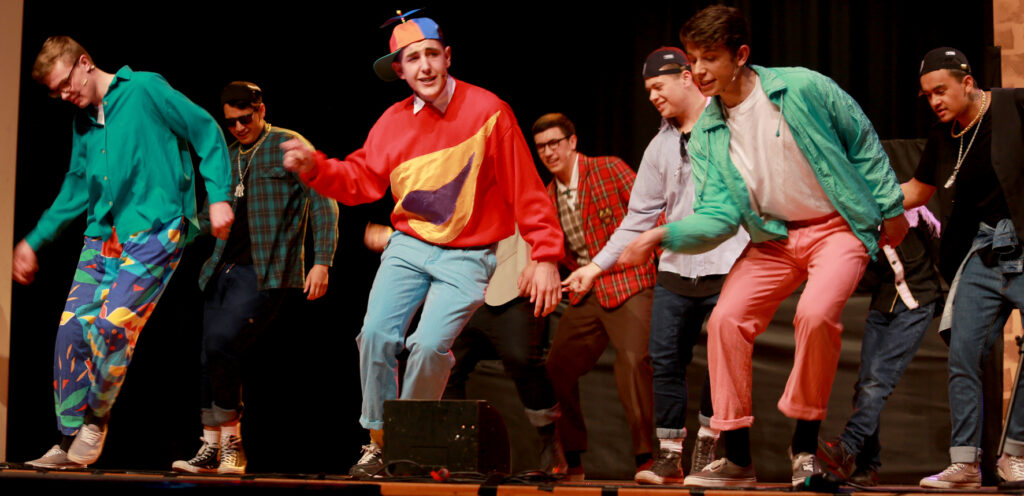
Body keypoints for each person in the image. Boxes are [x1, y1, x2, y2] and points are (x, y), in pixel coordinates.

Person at [619, 6, 907, 487]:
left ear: (741, 55)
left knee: (815, 315)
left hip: (835, 228)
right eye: (694, 59)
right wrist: (661, 234)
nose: (701, 70)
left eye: (711, 57)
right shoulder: (709, 129)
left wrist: (890, 207)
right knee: (726, 320)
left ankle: (804, 448)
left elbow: (860, 137)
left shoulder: (801, 87)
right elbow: (718, 216)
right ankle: (736, 458)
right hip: (774, 238)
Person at [279, 15, 564, 476]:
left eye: (432, 54)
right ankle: (378, 438)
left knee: (429, 346)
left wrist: (546, 254)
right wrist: (315, 167)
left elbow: (526, 189)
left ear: (447, 57)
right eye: (414, 58)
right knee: (374, 335)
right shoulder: (392, 123)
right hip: (408, 246)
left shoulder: (489, 110)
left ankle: (409, 436)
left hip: (469, 254)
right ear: (400, 71)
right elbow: (360, 180)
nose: (425, 66)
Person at [17, 36, 233, 469]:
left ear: (84, 63)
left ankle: (96, 421)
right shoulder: (82, 123)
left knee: (112, 326)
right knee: (71, 331)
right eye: (55, 92)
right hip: (103, 239)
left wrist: (220, 195)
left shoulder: (144, 89)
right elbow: (77, 187)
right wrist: (33, 241)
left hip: (155, 229)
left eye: (65, 84)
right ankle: (67, 438)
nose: (64, 96)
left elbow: (204, 129)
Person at [563, 47, 749, 485]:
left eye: (658, 86)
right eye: (647, 90)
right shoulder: (659, 146)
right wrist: (596, 267)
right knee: (664, 358)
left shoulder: (729, 124)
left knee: (721, 356)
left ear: (687, 77)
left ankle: (709, 446)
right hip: (676, 269)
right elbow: (638, 217)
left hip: (727, 261)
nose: (652, 97)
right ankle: (669, 454)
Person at [170, 82, 339, 474]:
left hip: (265, 271)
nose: (240, 127)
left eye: (246, 118)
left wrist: (322, 261)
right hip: (221, 269)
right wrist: (168, 234)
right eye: (232, 122)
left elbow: (324, 199)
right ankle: (211, 446)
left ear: (261, 109)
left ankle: (233, 443)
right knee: (208, 355)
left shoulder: (287, 144)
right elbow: (204, 216)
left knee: (221, 341)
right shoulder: (226, 157)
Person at [908, 47, 1024, 489]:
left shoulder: (1013, 105)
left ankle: (1015, 454)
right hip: (981, 252)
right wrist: (856, 202)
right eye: (928, 95)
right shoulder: (944, 137)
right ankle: (965, 464)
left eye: (942, 91)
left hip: (1023, 245)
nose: (935, 101)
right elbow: (917, 192)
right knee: (963, 355)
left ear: (968, 83)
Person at [532, 112, 656, 481]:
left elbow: (649, 212)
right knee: (555, 369)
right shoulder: (547, 196)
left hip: (630, 279)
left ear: (572, 142)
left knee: (633, 361)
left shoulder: (608, 169)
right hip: (587, 289)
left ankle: (647, 458)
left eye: (555, 143)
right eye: (541, 147)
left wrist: (662, 266)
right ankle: (572, 458)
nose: (549, 152)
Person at [817, 206, 942, 486]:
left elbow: (940, 251)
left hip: (917, 302)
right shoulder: (852, 225)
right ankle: (868, 465)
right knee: (864, 384)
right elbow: (864, 276)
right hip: (884, 304)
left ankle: (846, 447)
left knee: (878, 380)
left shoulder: (908, 210)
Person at [441, 231, 566, 475]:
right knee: (445, 362)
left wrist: (540, 260)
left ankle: (548, 438)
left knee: (521, 358)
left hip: (514, 282)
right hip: (464, 286)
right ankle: (457, 447)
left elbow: (542, 219)